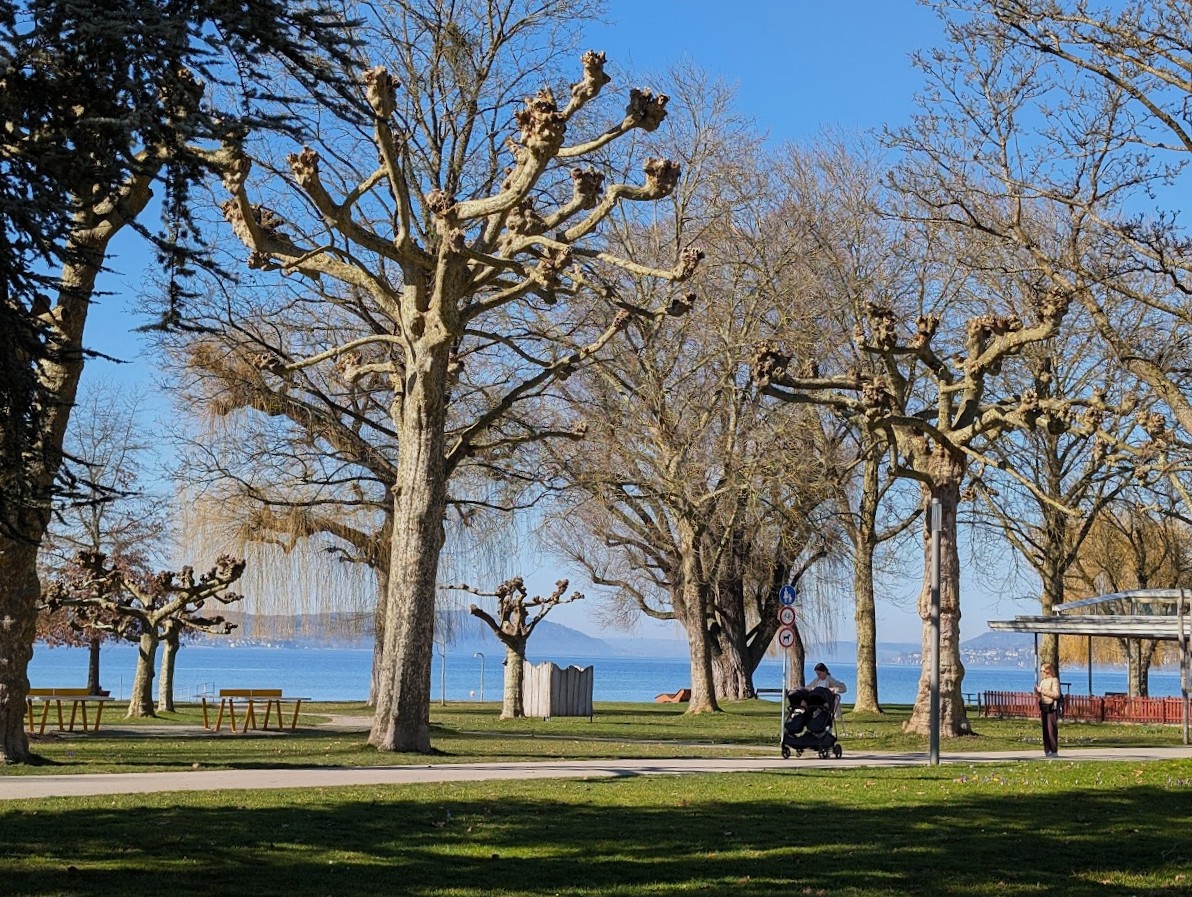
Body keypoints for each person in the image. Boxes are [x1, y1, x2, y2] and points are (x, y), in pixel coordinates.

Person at [1034, 662, 1062, 757]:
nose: (1041, 673)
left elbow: (1056, 694)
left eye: (1043, 671)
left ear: (1048, 671)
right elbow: (1041, 695)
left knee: (1051, 728)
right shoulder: (1042, 681)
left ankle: (1054, 750)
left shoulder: (1054, 680)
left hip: (1052, 707)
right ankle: (1047, 750)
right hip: (1044, 706)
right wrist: (1037, 692)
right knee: (1045, 729)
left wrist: (1042, 691)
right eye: (1041, 671)